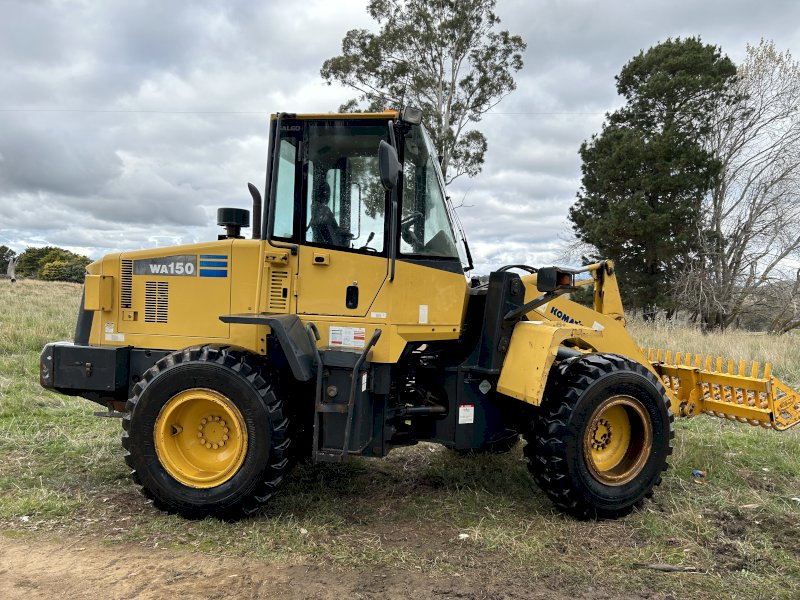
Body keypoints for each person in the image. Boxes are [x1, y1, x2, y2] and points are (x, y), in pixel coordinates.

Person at [309, 182, 352, 247]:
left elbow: (331, 230)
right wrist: (345, 235)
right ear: (325, 195)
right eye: (327, 193)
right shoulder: (325, 211)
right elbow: (333, 232)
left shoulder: (314, 209)